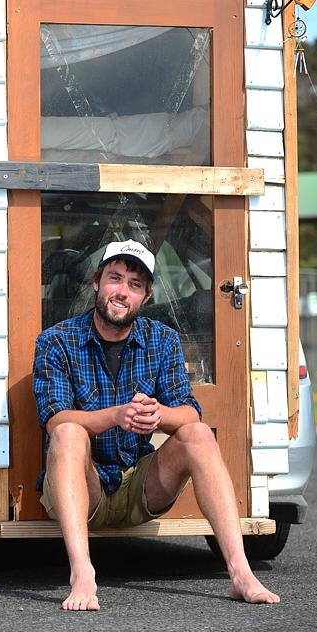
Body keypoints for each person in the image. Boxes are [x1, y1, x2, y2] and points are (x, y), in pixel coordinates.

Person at [32, 239, 280, 611]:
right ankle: (82, 573)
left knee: (197, 433)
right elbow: (55, 418)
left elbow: (190, 412)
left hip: (139, 487)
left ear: (146, 297)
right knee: (68, 433)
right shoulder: (57, 341)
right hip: (86, 488)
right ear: (97, 282)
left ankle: (241, 573)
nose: (122, 291)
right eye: (115, 278)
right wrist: (116, 416)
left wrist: (158, 414)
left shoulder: (162, 339)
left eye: (135, 285)